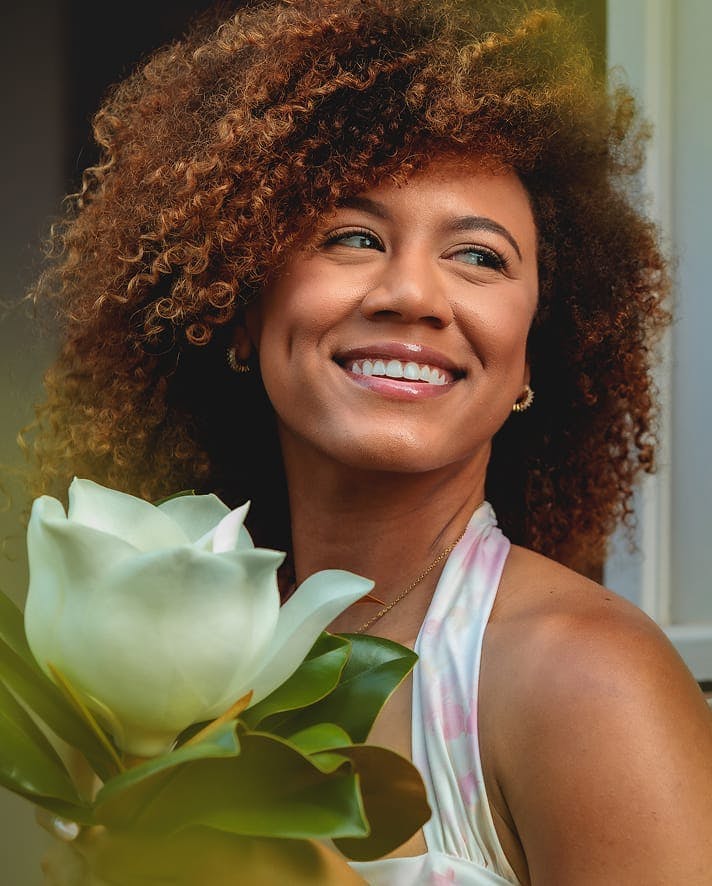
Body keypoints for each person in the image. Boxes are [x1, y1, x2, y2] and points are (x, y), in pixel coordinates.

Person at [26, 0, 712, 883]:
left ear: (533, 355)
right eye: (352, 236)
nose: (412, 294)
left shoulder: (586, 680)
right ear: (239, 309)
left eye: (480, 257)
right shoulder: (138, 670)